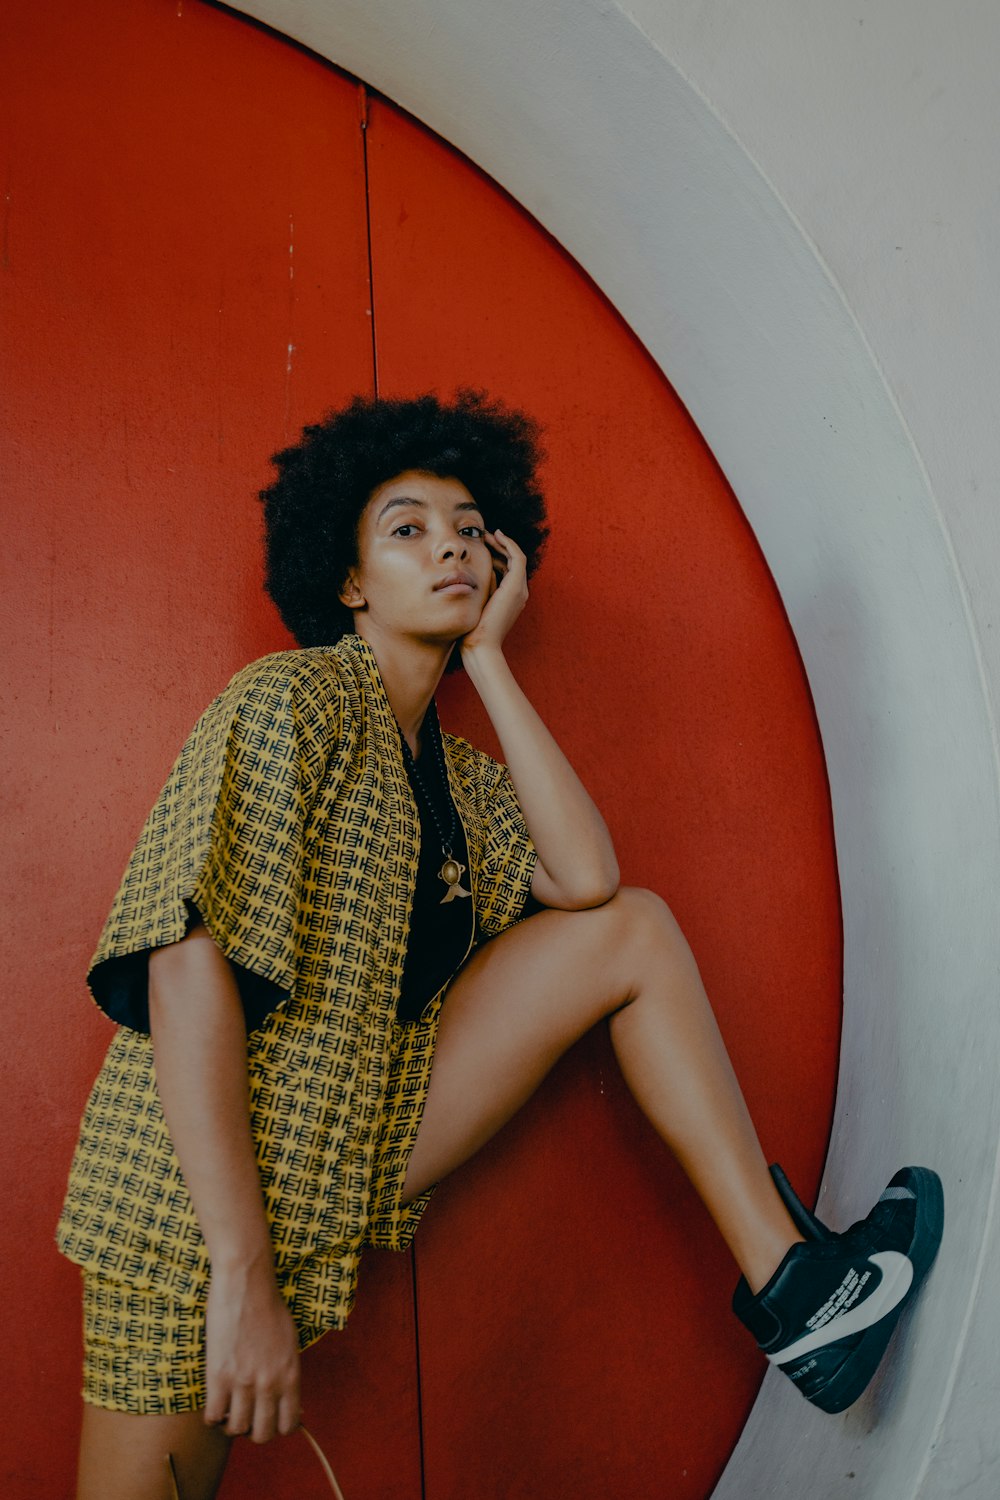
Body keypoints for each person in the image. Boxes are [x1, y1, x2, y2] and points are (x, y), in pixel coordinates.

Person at [57, 390, 943, 1500]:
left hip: (351, 1143)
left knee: (631, 932)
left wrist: (493, 663)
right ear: (348, 580)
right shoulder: (292, 700)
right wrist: (239, 1274)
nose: (452, 548)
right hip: (194, 1199)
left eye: (470, 528)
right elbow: (184, 967)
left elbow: (587, 883)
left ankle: (798, 1292)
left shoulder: (462, 780)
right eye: (408, 530)